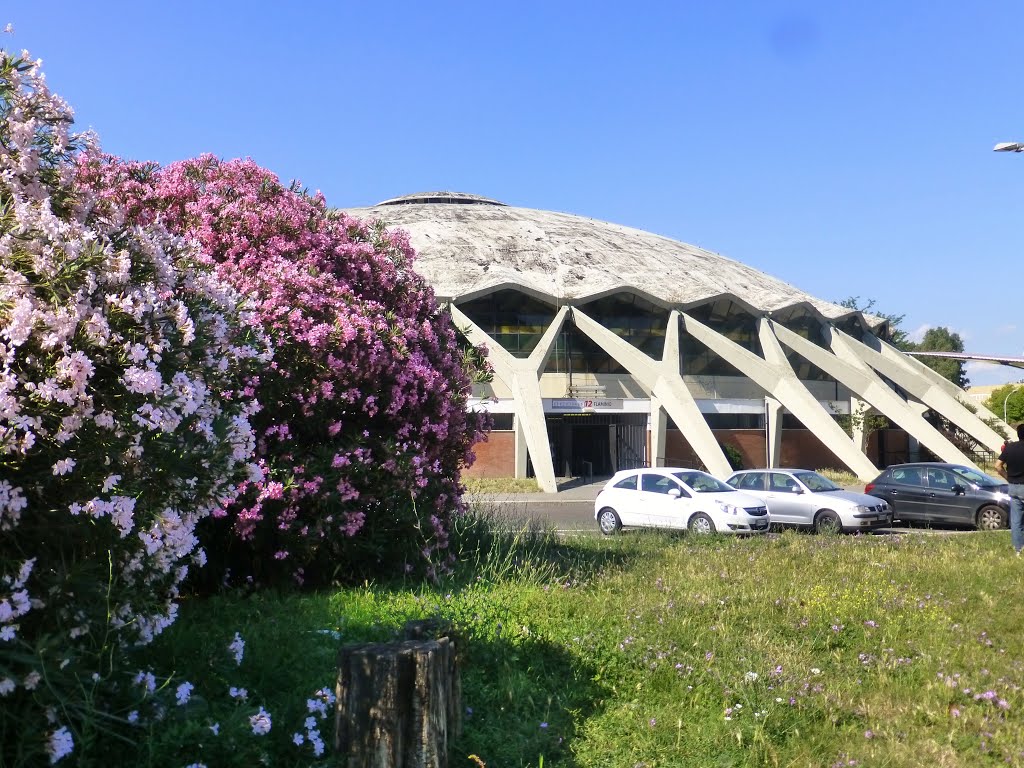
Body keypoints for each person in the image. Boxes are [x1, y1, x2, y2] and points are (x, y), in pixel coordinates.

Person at [995, 423, 1024, 555]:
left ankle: (1018, 550)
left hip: (1013, 487)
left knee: (1016, 521)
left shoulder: (1010, 448)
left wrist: (1008, 477)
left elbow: (998, 466)